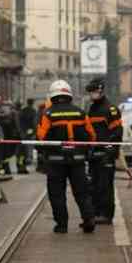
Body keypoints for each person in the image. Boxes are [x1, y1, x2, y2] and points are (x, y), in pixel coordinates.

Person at [37, 80, 96, 234]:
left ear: (52, 96)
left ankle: (62, 225)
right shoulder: (80, 113)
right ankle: (89, 218)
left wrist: (43, 153)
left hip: (55, 161)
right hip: (77, 160)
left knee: (57, 194)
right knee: (82, 192)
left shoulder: (48, 114)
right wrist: (85, 151)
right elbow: (91, 135)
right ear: (69, 95)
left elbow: (41, 137)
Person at [85, 78, 123, 224]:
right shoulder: (92, 109)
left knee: (105, 186)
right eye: (90, 92)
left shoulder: (111, 110)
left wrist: (111, 152)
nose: (91, 95)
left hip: (105, 154)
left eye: (93, 92)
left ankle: (106, 214)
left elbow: (116, 133)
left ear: (100, 91)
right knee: (94, 185)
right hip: (94, 154)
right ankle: (96, 212)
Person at [18, 98, 38, 174]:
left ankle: (23, 165)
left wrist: (22, 131)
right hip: (30, 132)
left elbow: (20, 121)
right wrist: (34, 131)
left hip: (23, 132)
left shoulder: (23, 110)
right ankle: (28, 160)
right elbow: (34, 122)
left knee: (23, 149)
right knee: (29, 148)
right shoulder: (33, 111)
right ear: (32, 103)